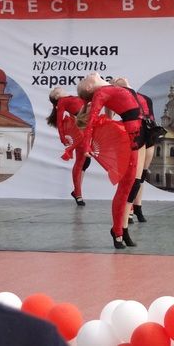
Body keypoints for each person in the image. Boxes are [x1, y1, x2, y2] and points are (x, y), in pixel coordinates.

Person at [77, 72, 142, 249]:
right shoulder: (100, 93)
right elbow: (92, 120)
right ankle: (118, 231)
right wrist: (87, 145)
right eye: (85, 79)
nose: (89, 74)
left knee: (128, 186)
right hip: (130, 137)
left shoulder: (110, 88)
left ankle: (120, 230)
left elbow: (112, 111)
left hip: (136, 136)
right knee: (125, 188)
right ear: (89, 87)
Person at [110, 77, 160, 226]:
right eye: (116, 80)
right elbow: (109, 117)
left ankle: (138, 207)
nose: (120, 78)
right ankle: (130, 209)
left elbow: (150, 116)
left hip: (149, 133)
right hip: (135, 135)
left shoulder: (143, 97)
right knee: (133, 177)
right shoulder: (117, 97)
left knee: (142, 175)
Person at [47, 87, 90, 206]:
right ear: (57, 97)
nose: (57, 88)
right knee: (81, 162)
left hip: (88, 128)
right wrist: (62, 137)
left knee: (85, 162)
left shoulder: (73, 97)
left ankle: (77, 191)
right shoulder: (62, 102)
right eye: (55, 90)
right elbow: (59, 121)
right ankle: (78, 193)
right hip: (81, 132)